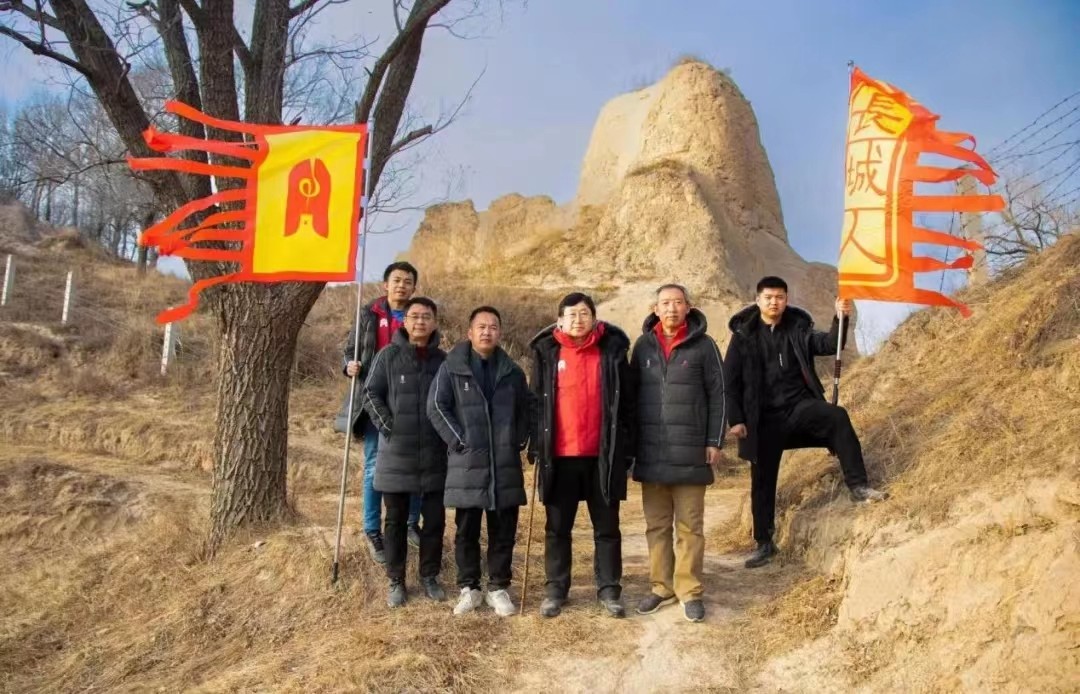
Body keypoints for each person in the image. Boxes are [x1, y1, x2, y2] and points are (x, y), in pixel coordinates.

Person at [723, 276, 888, 570]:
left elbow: (829, 344)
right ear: (758, 300)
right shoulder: (743, 336)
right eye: (769, 297)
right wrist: (736, 419)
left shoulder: (798, 328)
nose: (774, 302)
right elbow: (730, 381)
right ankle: (764, 543)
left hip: (799, 408)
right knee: (762, 481)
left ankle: (859, 486)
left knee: (836, 416)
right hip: (762, 419)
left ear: (787, 300)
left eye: (780, 297)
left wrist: (840, 318)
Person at [528, 292, 634, 619]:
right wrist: (535, 445)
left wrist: (627, 449)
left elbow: (627, 404)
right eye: (571, 314)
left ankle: (609, 589)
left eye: (584, 313)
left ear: (594, 318)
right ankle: (556, 590)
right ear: (559, 320)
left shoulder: (612, 351)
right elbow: (536, 403)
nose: (578, 319)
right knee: (558, 528)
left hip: (602, 456)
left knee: (607, 528)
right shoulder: (547, 353)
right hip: (560, 457)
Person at [427, 306, 531, 617]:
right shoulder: (451, 368)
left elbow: (526, 410)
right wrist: (459, 441)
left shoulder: (513, 373)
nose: (487, 332)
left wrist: (518, 439)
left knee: (504, 528)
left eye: (493, 327)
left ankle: (498, 587)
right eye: (481, 326)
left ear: (500, 333)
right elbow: (436, 406)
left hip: (504, 462)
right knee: (466, 529)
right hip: (467, 463)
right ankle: (469, 588)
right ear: (469, 332)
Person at [631, 284, 726, 624]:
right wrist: (631, 447)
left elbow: (719, 394)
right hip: (651, 451)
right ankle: (662, 587)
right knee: (656, 526)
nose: (671, 308)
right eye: (665, 303)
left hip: (691, 451)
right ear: (655, 309)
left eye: (678, 302)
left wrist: (714, 440)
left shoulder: (705, 345)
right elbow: (631, 399)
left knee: (690, 527)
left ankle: (689, 591)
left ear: (689, 307)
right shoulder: (642, 346)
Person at [362, 297, 448, 608]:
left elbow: (453, 402)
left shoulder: (444, 361)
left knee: (435, 521)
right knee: (395, 521)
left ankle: (429, 575)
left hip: (435, 455)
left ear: (434, 322)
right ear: (405, 321)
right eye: (414, 316)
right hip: (396, 454)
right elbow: (370, 393)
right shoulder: (388, 355)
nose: (420, 322)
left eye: (426, 316)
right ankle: (396, 580)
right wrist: (389, 426)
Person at [337, 261, 422, 563]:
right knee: (375, 464)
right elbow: (349, 350)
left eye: (408, 281)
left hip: (410, 401)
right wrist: (349, 366)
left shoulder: (418, 314)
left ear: (414, 287)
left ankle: (411, 522)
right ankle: (372, 528)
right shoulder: (369, 314)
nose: (402, 285)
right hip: (374, 399)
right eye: (396, 280)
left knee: (415, 464)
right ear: (386, 284)